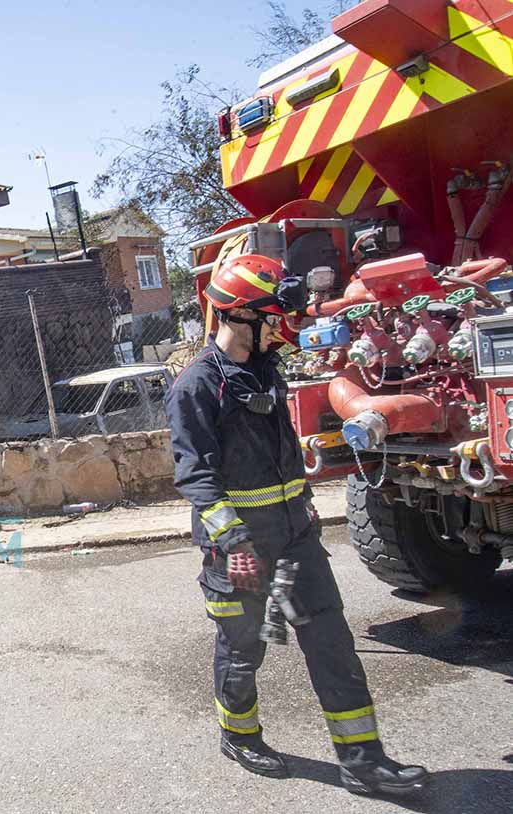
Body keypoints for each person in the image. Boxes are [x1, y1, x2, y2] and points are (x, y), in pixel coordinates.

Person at [165, 254, 428, 796]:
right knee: (244, 651)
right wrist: (235, 541)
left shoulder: (267, 370)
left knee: (332, 644)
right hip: (239, 551)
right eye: (271, 319)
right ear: (241, 316)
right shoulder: (196, 387)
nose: (280, 329)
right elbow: (195, 476)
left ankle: (364, 762)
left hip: (295, 539)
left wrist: (303, 505)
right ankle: (239, 735)